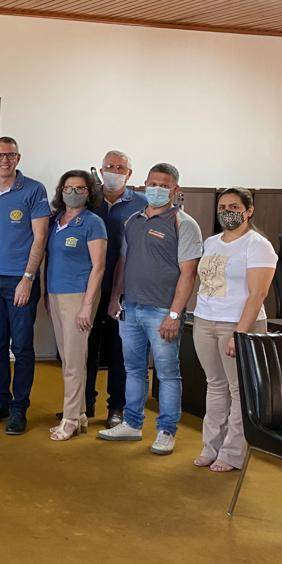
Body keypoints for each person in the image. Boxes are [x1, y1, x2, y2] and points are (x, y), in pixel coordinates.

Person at [99, 162, 203, 455]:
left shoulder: (184, 224)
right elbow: (124, 262)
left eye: (164, 185)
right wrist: (115, 297)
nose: (157, 189)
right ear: (144, 184)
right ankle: (132, 424)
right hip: (130, 308)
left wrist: (174, 314)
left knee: (167, 374)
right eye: (153, 184)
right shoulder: (133, 220)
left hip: (162, 313)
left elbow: (188, 273)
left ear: (175, 189)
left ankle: (167, 431)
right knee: (133, 370)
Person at [192, 187, 276, 472]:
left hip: (238, 323)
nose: (227, 212)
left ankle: (232, 453)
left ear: (248, 211)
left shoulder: (258, 245)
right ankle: (211, 446)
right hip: (205, 320)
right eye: (222, 207)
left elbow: (258, 293)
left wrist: (240, 332)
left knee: (239, 390)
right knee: (215, 385)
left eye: (234, 207)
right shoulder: (211, 242)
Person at [0, 136, 51, 435]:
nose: (3, 160)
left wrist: (28, 279)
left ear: (18, 158)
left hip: (20, 280)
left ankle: (19, 408)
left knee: (21, 347)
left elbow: (40, 237)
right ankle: (1, 402)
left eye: (9, 155)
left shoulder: (34, 190)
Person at [85, 150, 147, 427]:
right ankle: (84, 404)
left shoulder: (142, 204)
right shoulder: (88, 200)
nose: (114, 171)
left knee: (119, 352)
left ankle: (116, 408)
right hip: (88, 289)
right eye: (109, 166)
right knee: (85, 350)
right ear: (100, 171)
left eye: (120, 167)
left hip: (125, 291)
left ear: (129, 174)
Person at [45, 170, 107, 441]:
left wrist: (86, 306)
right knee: (69, 357)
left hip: (78, 296)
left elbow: (99, 267)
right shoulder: (56, 220)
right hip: (55, 294)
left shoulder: (93, 223)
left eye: (80, 188)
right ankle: (80, 414)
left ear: (89, 192)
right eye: (68, 188)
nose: (73, 192)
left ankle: (69, 419)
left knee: (73, 361)